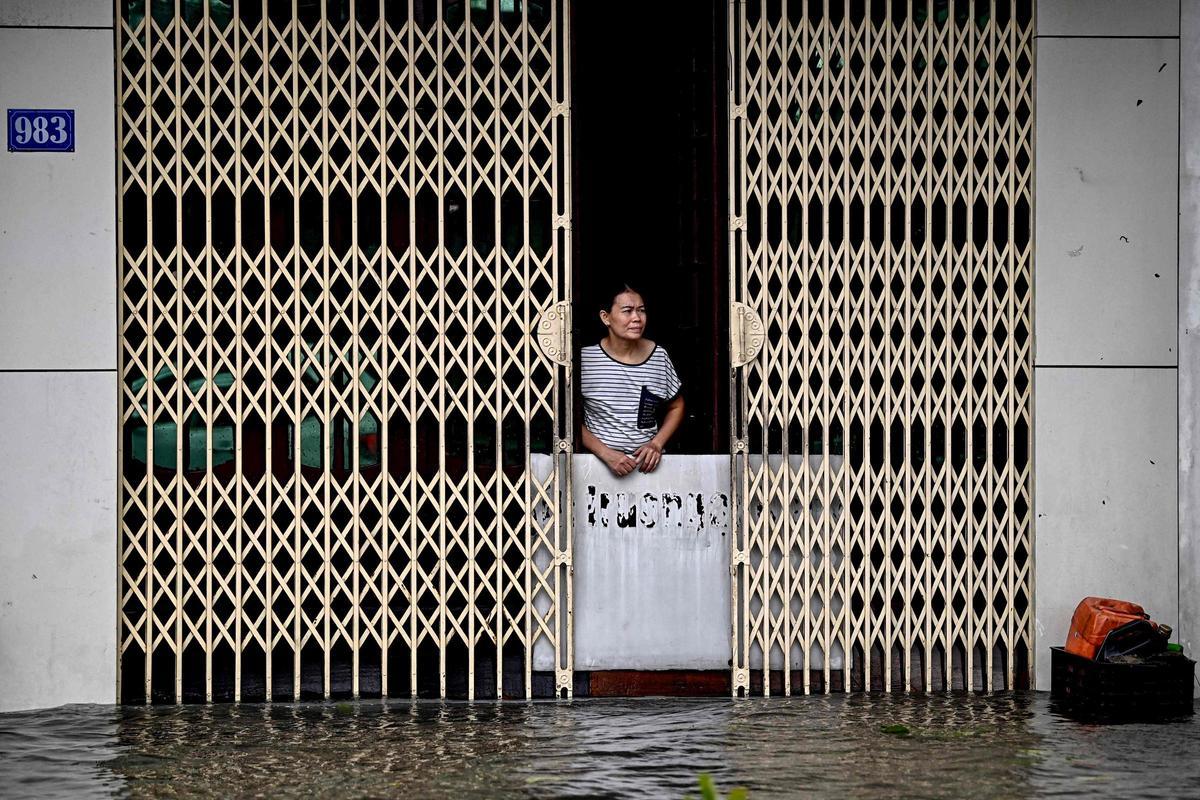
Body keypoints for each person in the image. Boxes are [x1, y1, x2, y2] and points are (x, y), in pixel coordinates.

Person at [580, 282, 685, 476]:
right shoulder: (585, 359)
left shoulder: (658, 356)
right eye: (627, 311)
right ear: (606, 317)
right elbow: (566, 419)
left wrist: (656, 443)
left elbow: (676, 406)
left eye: (641, 311)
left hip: (648, 470)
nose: (637, 318)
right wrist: (606, 453)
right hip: (593, 468)